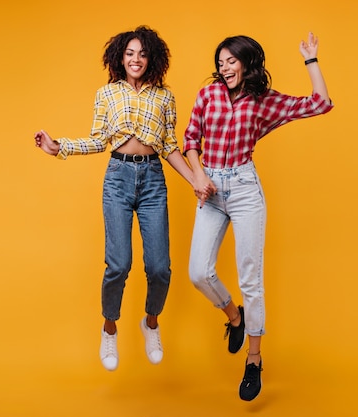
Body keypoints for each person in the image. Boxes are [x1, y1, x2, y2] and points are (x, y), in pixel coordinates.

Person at [34, 26, 214, 372]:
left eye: (142, 54)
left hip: (152, 181)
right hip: (117, 178)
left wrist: (196, 179)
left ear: (152, 59)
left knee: (160, 268)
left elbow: (169, 146)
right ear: (120, 57)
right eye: (130, 53)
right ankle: (109, 328)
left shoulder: (164, 97)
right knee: (118, 265)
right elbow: (98, 140)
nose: (136, 59)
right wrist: (60, 148)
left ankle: (150, 323)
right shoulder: (106, 94)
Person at [183, 32, 334, 400]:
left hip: (246, 188)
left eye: (231, 61)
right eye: (220, 63)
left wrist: (310, 60)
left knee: (251, 279)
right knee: (198, 271)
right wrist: (199, 175)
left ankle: (253, 361)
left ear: (247, 63)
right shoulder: (208, 95)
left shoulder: (263, 101)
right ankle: (234, 318)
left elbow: (320, 103)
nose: (224, 68)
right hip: (211, 188)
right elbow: (190, 139)